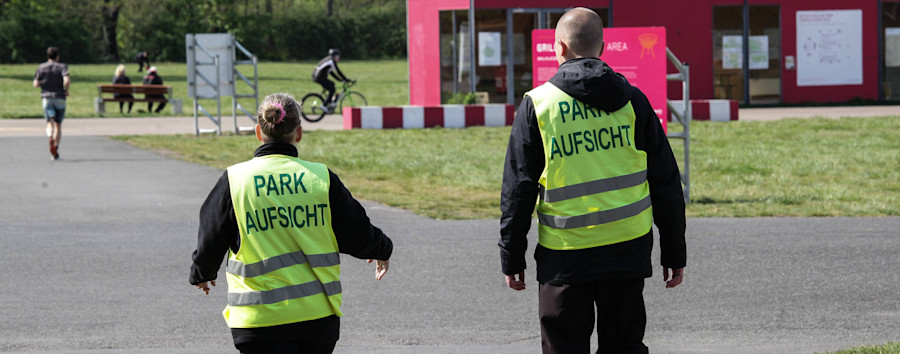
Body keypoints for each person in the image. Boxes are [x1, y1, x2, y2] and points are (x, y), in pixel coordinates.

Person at [498, 7, 686, 354]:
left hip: (565, 257)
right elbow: (666, 183)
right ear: (603, 47)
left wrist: (512, 255)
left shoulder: (539, 106)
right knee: (624, 347)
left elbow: (518, 190)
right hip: (626, 250)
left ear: (560, 48)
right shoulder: (634, 102)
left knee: (564, 347)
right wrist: (674, 249)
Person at [190, 92, 393, 354]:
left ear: (257, 132)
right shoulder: (320, 178)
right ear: (298, 133)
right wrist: (381, 249)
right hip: (316, 320)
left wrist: (202, 272)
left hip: (257, 322)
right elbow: (356, 231)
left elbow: (212, 233)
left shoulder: (235, 180)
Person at [33, 46, 69, 160]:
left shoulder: (41, 67)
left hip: (46, 97)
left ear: (47, 56)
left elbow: (35, 84)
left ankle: (50, 136)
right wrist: (66, 89)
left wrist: (43, 83)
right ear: (57, 56)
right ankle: (56, 149)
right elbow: (66, 80)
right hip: (59, 97)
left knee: (49, 122)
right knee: (58, 124)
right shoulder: (62, 67)